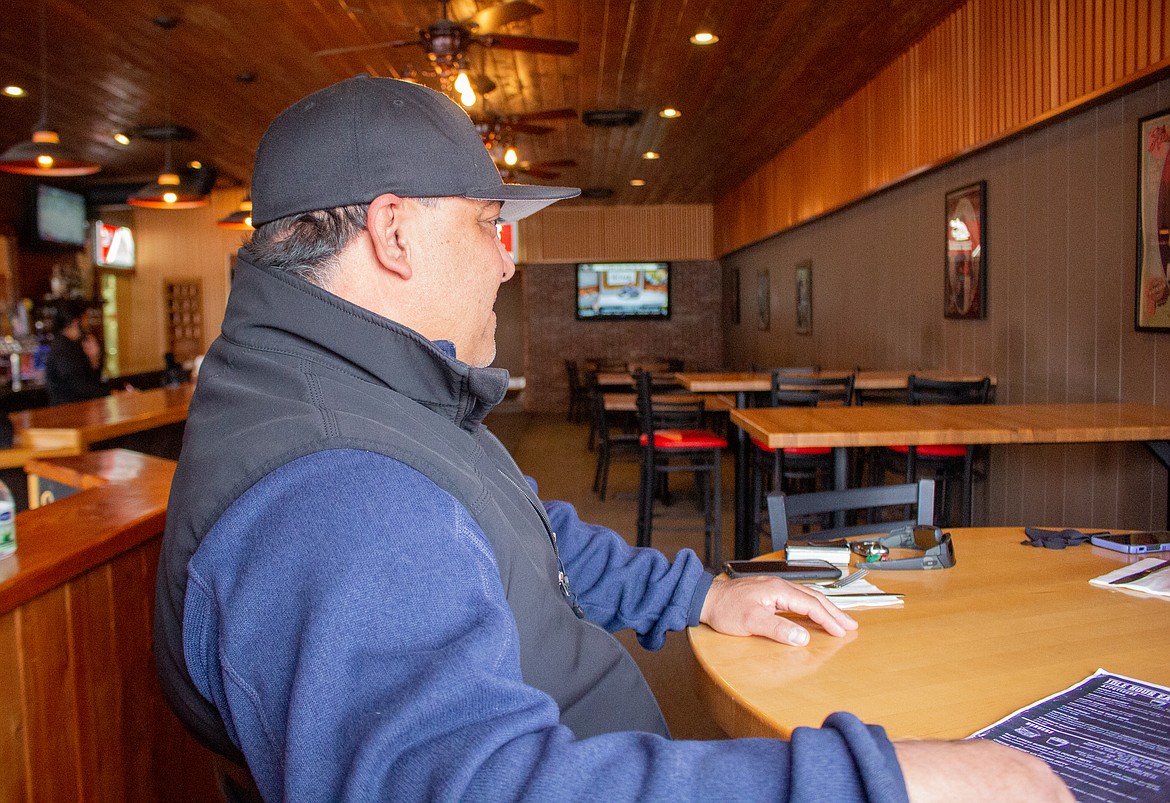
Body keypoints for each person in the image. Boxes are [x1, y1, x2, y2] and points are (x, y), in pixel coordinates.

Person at [154, 76, 1071, 802]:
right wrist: (885, 783)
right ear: (393, 231)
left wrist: (701, 590)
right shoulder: (339, 488)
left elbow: (524, 534)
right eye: (489, 223)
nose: (510, 257)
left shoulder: (366, 393)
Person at [44, 299, 109, 405]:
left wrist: (94, 359)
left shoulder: (76, 345)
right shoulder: (62, 348)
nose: (88, 322)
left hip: (81, 411)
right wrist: (112, 393)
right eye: (86, 317)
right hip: (68, 415)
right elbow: (79, 388)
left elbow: (91, 381)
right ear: (76, 321)